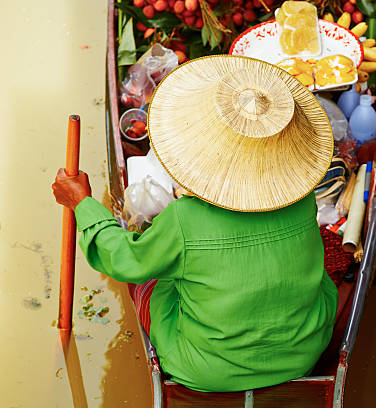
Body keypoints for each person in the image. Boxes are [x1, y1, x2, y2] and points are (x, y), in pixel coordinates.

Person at [52, 55, 338, 393]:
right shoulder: (300, 199)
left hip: (205, 368)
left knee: (148, 280)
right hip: (302, 354)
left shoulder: (184, 218)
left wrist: (83, 204)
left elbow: (123, 261)